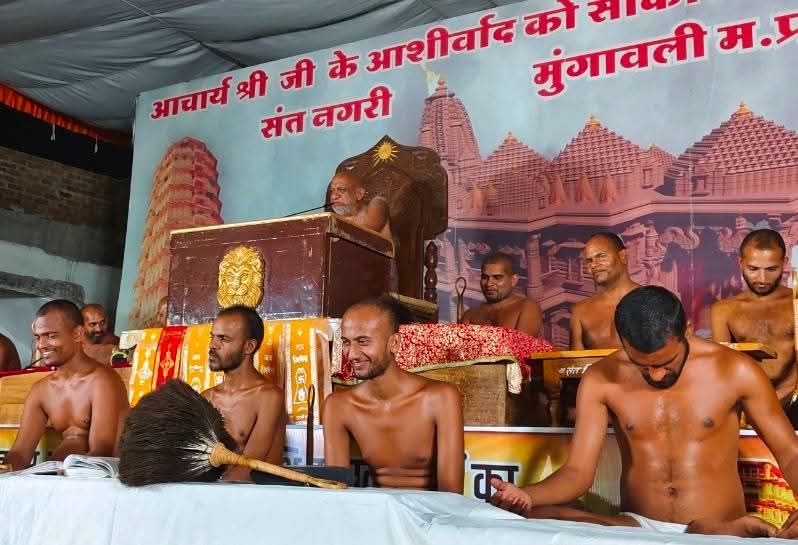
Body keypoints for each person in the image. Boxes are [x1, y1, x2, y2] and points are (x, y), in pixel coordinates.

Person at [490, 286, 798, 538]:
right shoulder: (602, 378)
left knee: (724, 530)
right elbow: (577, 474)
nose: (658, 375)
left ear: (687, 330)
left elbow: (789, 453)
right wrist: (527, 495)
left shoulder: (735, 370)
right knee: (535, 516)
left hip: (717, 527)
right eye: (644, 366)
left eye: (667, 363)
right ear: (623, 342)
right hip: (639, 526)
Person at [323, 296, 464, 493]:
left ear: (394, 343)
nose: (352, 354)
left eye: (363, 342)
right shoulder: (338, 406)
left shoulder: (440, 398)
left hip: (432, 517)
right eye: (346, 342)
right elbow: (335, 491)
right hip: (379, 515)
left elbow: (452, 496)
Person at [3, 300, 129, 469]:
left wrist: (61, 474)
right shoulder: (41, 390)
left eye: (51, 336)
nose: (42, 345)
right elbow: (20, 454)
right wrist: (6, 470)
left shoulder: (103, 380)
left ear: (77, 334)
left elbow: (102, 452)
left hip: (95, 481)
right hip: (56, 477)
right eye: (38, 337)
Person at [710, 229, 797, 424]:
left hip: (793, 403)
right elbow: (723, 370)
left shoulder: (796, 303)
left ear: (784, 263)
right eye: (753, 268)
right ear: (740, 263)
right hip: (745, 408)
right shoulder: (723, 310)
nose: (762, 279)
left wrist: (778, 402)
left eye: (772, 269)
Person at [202, 305, 285, 481]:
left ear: (248, 346)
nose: (212, 345)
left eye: (223, 339)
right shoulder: (206, 398)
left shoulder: (268, 396)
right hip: (210, 497)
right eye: (213, 337)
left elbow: (248, 467)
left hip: (253, 498)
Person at [570, 232, 640, 349]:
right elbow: (575, 365)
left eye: (601, 256)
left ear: (624, 256)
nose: (593, 265)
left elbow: (679, 357)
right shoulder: (580, 312)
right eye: (588, 261)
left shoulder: (656, 302)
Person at [460, 252, 543, 337]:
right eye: (485, 277)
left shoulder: (527, 307)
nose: (489, 283)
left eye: (497, 278)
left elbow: (522, 346)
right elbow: (460, 348)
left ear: (514, 280)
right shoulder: (470, 314)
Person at [328, 171, 392, 240]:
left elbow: (364, 235)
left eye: (341, 189)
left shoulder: (378, 204)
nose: (333, 196)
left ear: (359, 194)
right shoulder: (334, 220)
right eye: (332, 191)